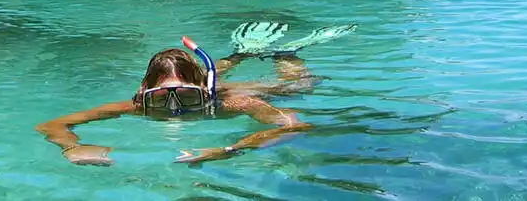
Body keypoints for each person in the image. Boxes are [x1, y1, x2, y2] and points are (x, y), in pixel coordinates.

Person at [35, 36, 318, 166]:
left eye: (186, 96)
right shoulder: (137, 107)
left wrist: (230, 148)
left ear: (204, 92)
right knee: (201, 74)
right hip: (202, 81)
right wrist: (73, 147)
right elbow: (51, 125)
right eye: (161, 97)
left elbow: (296, 126)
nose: (175, 109)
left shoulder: (232, 104)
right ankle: (235, 57)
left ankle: (286, 53)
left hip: (239, 89)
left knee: (297, 86)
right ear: (144, 92)